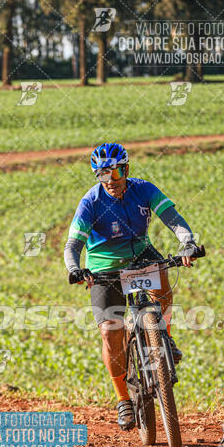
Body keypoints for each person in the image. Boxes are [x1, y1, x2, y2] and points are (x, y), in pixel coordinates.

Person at [64, 143, 199, 431]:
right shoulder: (91, 201)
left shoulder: (144, 189)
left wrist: (187, 242)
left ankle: (165, 336)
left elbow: (173, 220)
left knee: (162, 272)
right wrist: (75, 268)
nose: (110, 180)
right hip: (104, 267)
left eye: (116, 171)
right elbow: (73, 244)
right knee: (110, 332)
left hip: (140, 253)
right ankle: (123, 399)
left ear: (127, 169)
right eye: (102, 174)